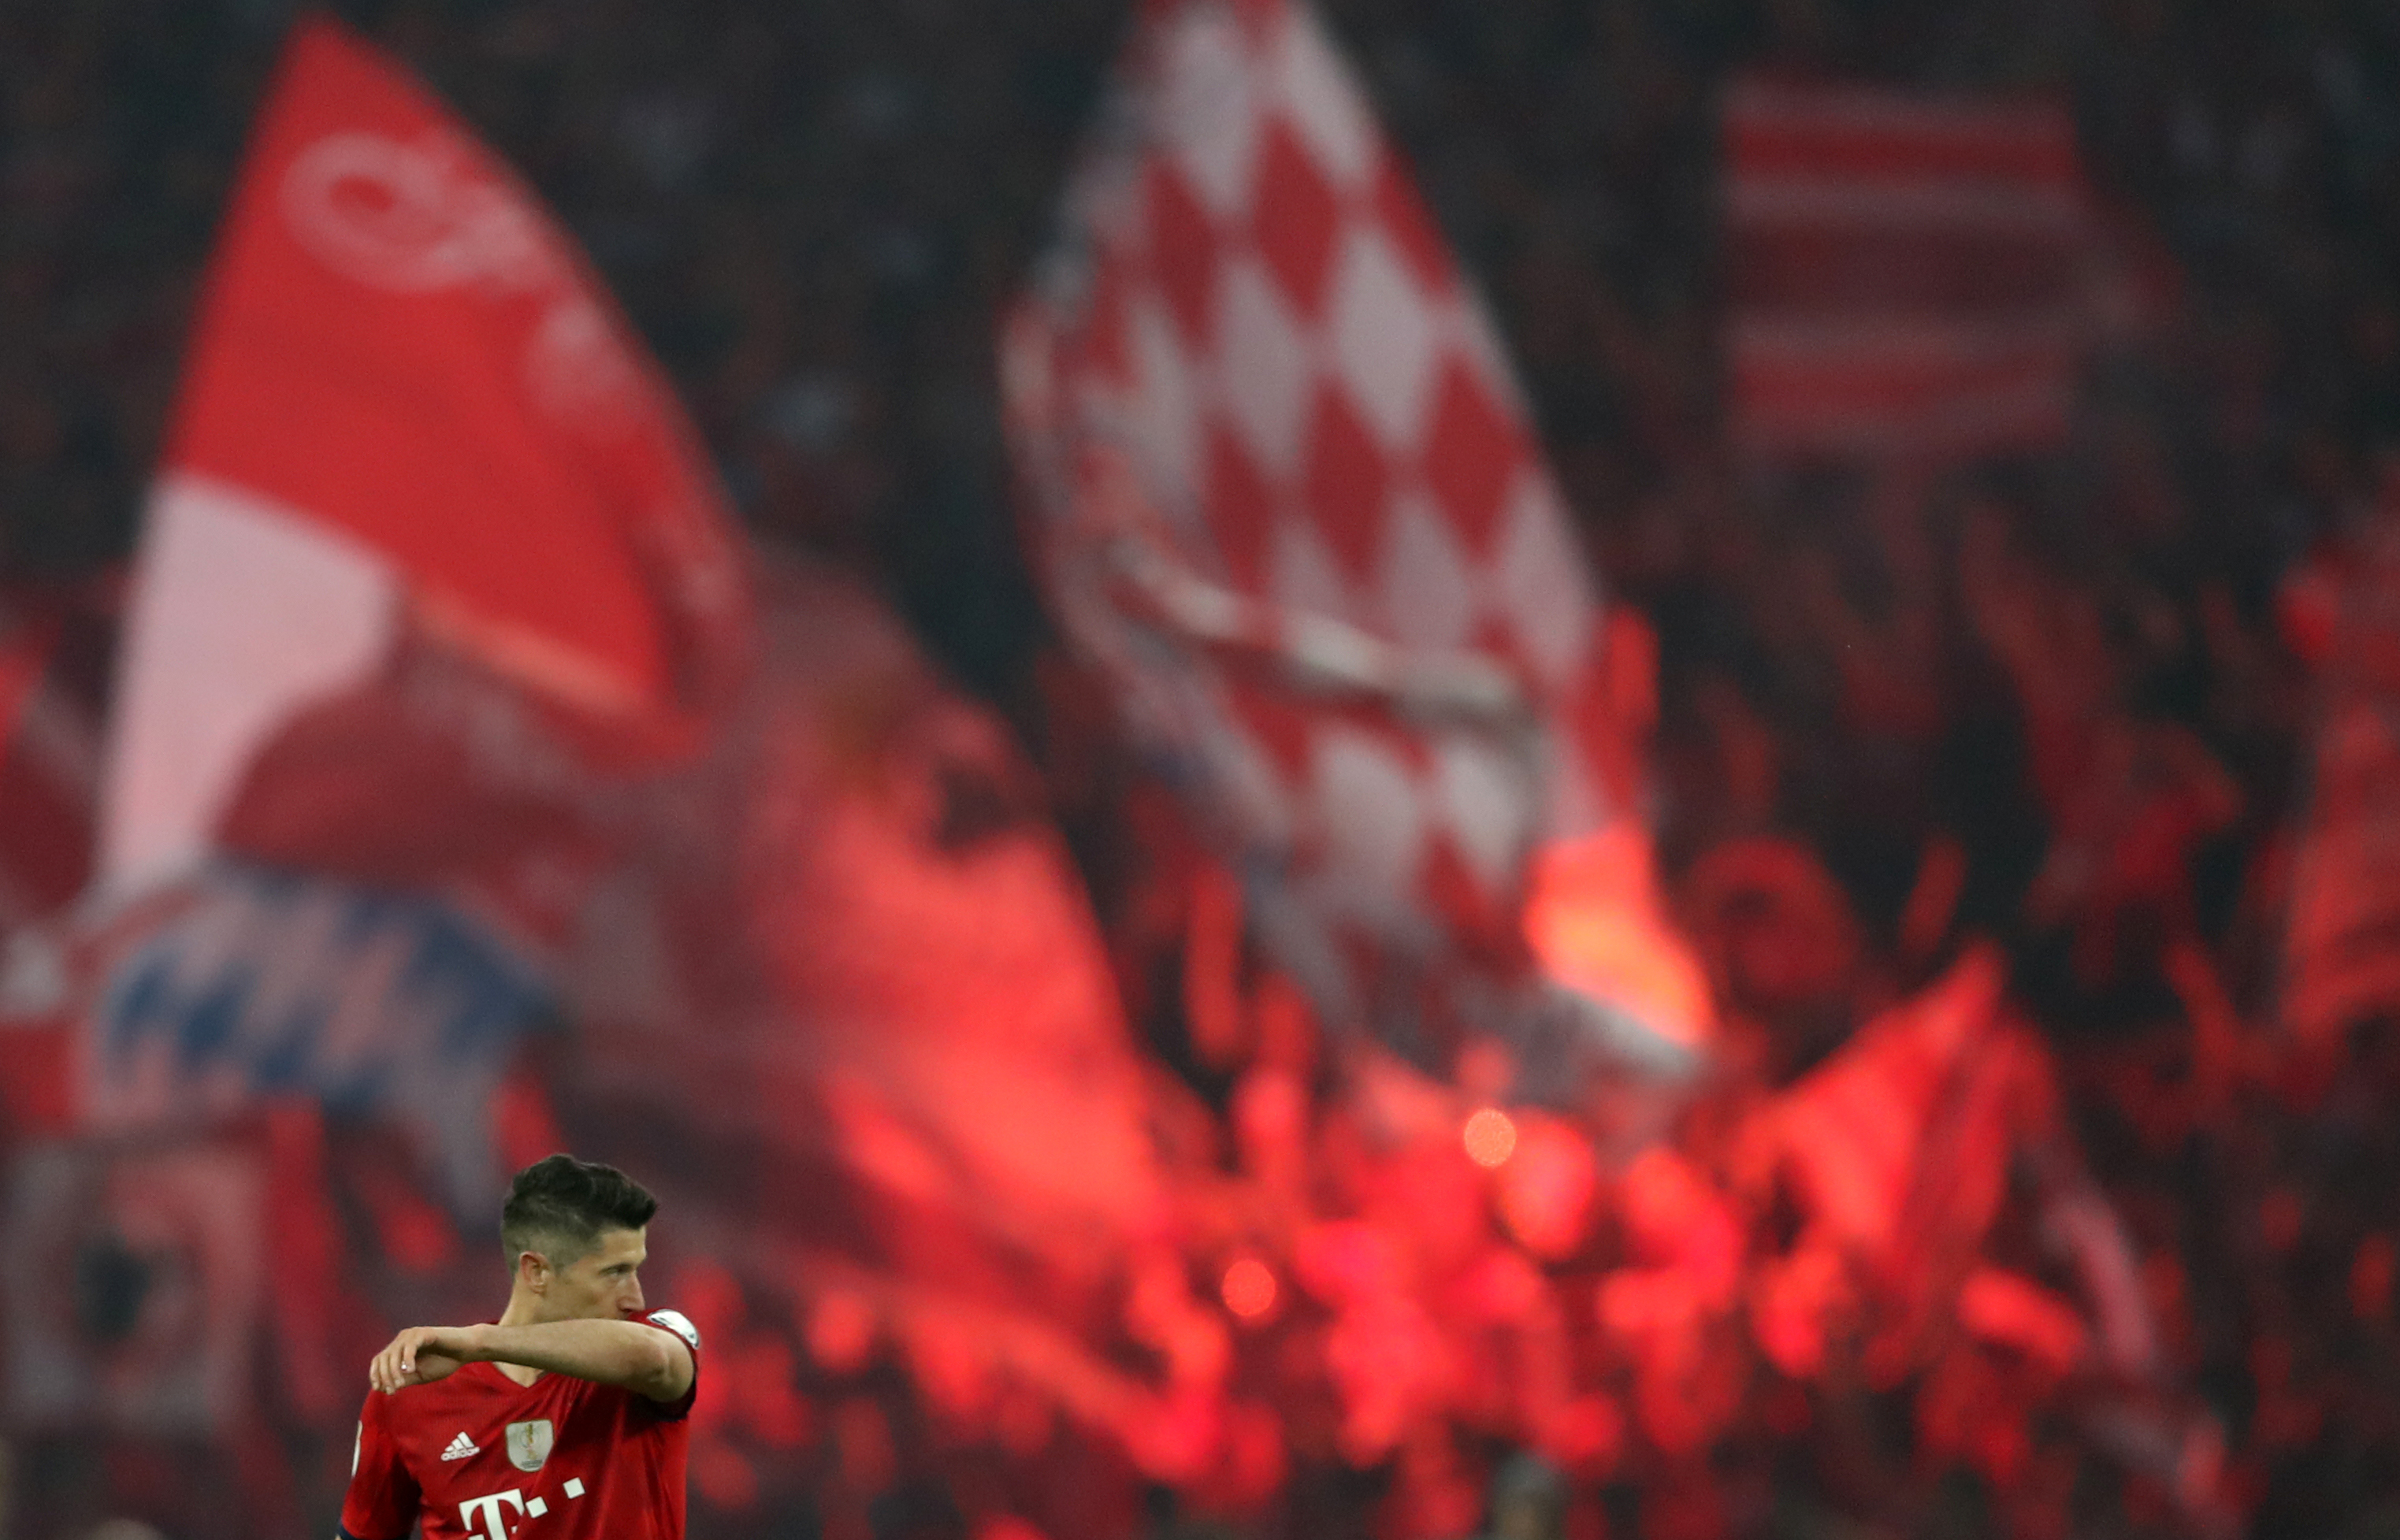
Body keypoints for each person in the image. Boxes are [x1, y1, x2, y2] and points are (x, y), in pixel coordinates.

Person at [338, 1155, 700, 1540]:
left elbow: (656, 1359)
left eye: (635, 1269)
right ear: (537, 1272)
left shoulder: (649, 1345)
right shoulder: (410, 1397)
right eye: (615, 1273)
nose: (635, 1297)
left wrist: (478, 1342)